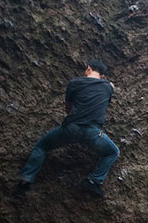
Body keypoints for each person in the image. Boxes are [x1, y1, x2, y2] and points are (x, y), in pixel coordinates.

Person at [15, 60, 120, 198]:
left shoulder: (74, 83)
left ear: (88, 68)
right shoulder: (107, 87)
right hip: (93, 132)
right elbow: (111, 86)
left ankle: (26, 179)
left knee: (42, 146)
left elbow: (68, 110)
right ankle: (93, 181)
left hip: (70, 128)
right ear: (102, 76)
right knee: (112, 152)